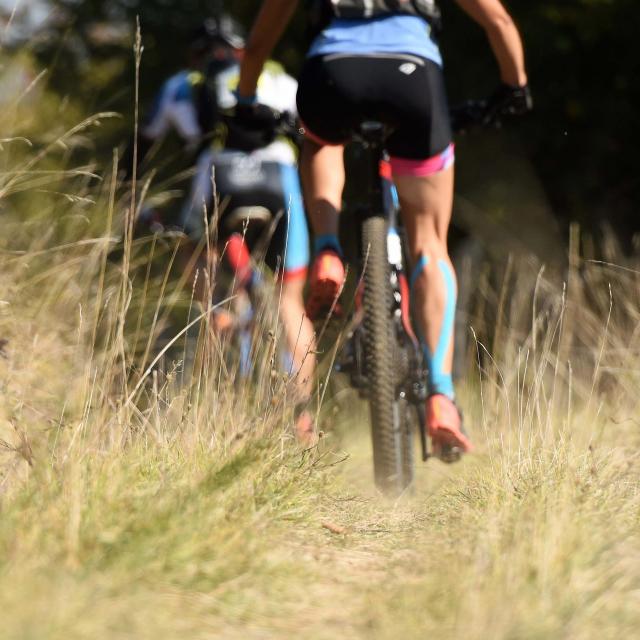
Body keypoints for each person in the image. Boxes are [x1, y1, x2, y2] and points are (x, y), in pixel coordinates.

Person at [236, 0, 532, 460]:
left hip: (332, 72)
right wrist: (514, 89)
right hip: (412, 75)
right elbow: (498, 20)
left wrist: (246, 100)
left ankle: (329, 245)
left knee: (321, 139)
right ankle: (440, 395)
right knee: (431, 245)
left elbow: (257, 45)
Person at [133, 15, 317, 441]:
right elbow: (311, 132)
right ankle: (302, 416)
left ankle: (216, 405)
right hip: (279, 177)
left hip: (217, 177)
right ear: (240, 47)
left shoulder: (182, 83)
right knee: (290, 298)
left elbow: (141, 145)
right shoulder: (276, 75)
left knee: (206, 288)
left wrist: (131, 199)